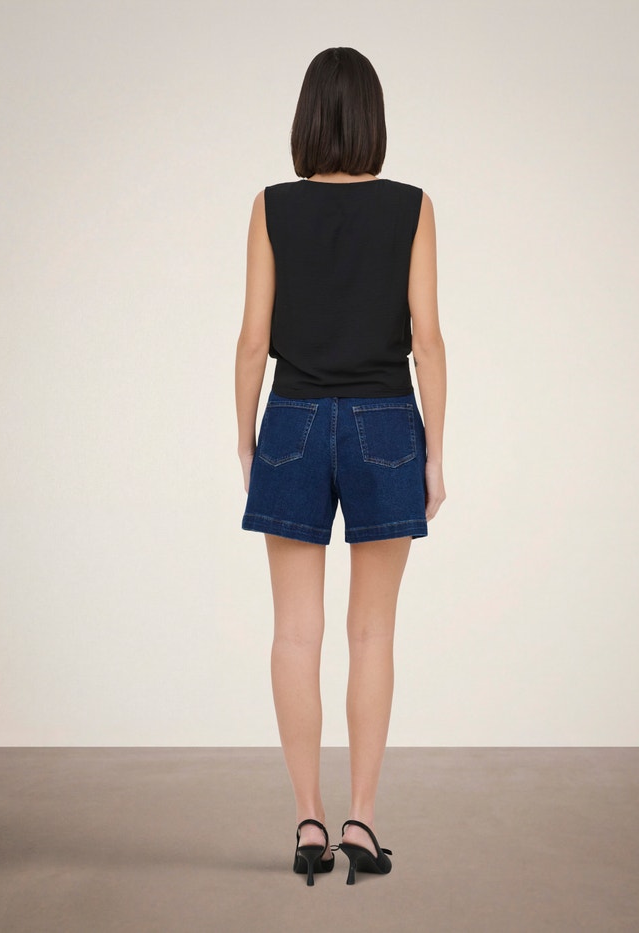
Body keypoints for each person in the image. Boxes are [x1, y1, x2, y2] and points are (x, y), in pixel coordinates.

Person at [235, 47, 447, 885]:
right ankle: (361, 820)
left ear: (306, 117)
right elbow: (428, 340)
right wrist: (437, 450)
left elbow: (253, 339)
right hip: (385, 420)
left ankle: (308, 820)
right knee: (372, 631)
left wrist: (247, 439)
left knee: (295, 631)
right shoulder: (413, 207)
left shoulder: (271, 206)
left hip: (292, 417)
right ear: (372, 118)